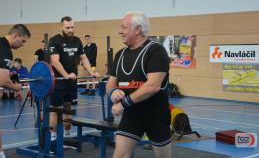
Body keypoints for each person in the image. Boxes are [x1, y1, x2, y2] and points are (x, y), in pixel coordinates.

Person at [106, 12, 172, 158]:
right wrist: (113, 92)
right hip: (132, 115)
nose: (119, 31)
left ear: (137, 29)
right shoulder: (120, 54)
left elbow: (152, 86)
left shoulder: (156, 51)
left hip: (155, 115)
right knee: (119, 155)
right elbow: (111, 82)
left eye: (124, 27)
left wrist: (123, 104)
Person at [0, 24, 31, 158]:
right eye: (23, 41)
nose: (23, 45)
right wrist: (18, 87)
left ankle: (0, 155)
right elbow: (3, 82)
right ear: (15, 35)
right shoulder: (5, 49)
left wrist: (8, 75)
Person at [49, 16, 99, 139]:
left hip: (71, 82)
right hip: (58, 81)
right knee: (55, 110)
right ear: (61, 26)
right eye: (67, 27)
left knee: (68, 108)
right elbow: (55, 61)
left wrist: (91, 72)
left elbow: (83, 58)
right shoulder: (55, 40)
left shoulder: (77, 40)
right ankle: (53, 139)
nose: (70, 30)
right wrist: (66, 75)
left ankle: (67, 137)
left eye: (72, 27)